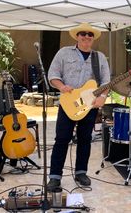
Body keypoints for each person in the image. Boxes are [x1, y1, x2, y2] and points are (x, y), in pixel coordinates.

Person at [47, 23, 110, 190]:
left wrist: (103, 96)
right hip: (68, 104)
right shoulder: (64, 53)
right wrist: (61, 86)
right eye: (83, 34)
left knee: (85, 140)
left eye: (90, 34)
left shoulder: (99, 57)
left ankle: (81, 172)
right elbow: (52, 75)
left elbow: (106, 81)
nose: (86, 36)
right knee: (61, 140)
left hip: (89, 106)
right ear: (77, 36)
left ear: (93, 38)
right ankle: (54, 176)